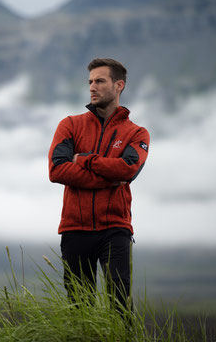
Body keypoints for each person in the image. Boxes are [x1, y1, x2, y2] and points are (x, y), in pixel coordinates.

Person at [48, 57, 149, 311]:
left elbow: (128, 169)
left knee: (120, 306)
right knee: (80, 309)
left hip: (115, 229)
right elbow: (57, 170)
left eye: (100, 81)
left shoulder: (137, 133)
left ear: (119, 86)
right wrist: (108, 176)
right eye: (90, 82)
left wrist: (84, 160)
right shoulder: (70, 125)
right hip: (74, 229)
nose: (92, 87)